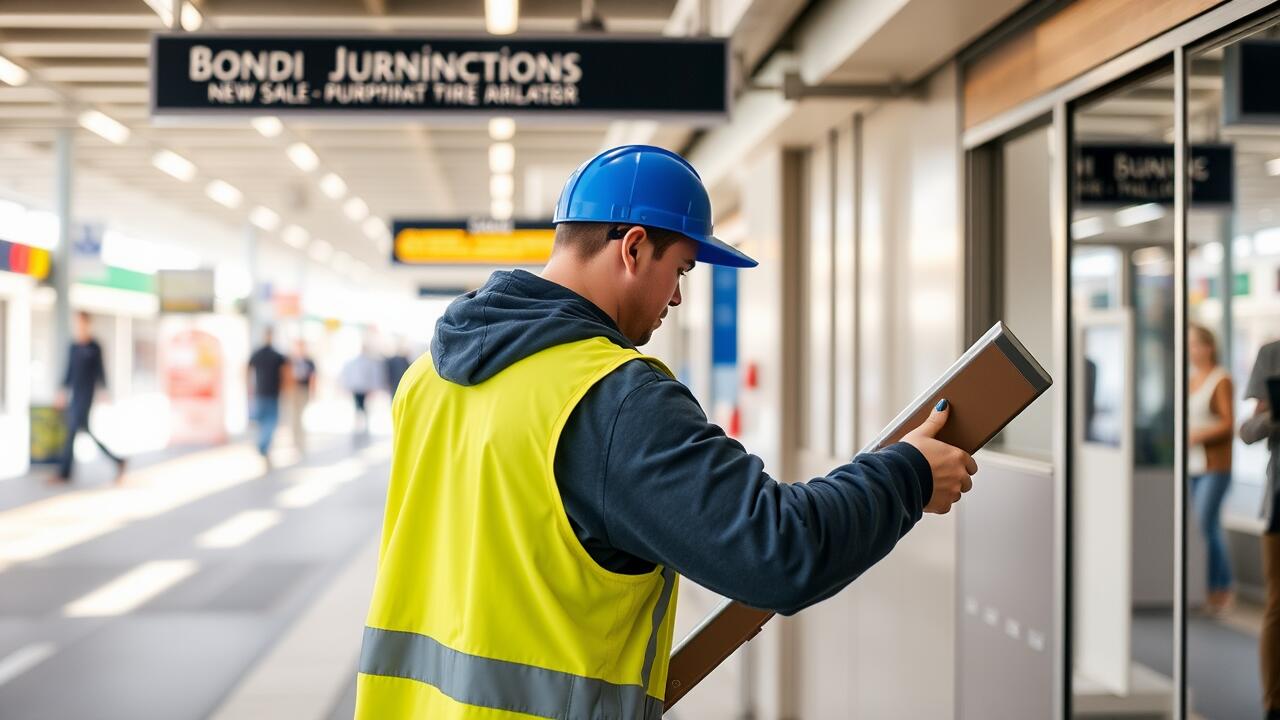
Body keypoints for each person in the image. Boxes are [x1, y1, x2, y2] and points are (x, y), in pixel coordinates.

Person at [355, 146, 977, 719]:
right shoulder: (612, 398)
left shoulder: (429, 375)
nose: (678, 297)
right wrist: (909, 474)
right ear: (631, 248)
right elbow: (781, 550)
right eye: (680, 269)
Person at [1243, 338, 1280, 719]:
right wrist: (1275, 419)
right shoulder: (1272, 354)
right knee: (1277, 603)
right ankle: (1273, 703)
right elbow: (1247, 431)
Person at [1187, 324, 1234, 614]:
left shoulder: (1221, 380)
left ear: (1209, 347)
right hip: (1192, 464)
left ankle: (1222, 589)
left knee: (1206, 524)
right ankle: (1209, 589)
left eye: (1194, 344)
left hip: (1215, 466)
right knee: (1206, 526)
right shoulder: (1192, 380)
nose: (1190, 350)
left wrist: (1197, 435)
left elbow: (1229, 424)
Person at [54, 311, 126, 484]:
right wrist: (62, 391)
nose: (79, 326)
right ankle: (118, 460)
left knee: (73, 429)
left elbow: (100, 370)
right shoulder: (73, 346)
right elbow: (68, 371)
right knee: (82, 430)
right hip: (75, 393)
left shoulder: (94, 346)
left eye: (81, 323)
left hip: (87, 394)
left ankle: (65, 473)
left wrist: (104, 390)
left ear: (88, 324)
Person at [247, 327, 289, 466]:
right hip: (271, 394)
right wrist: (284, 390)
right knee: (270, 422)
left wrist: (248, 388)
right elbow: (285, 374)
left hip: (260, 393)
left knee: (262, 422)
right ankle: (263, 445)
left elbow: (247, 370)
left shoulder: (258, 353)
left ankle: (262, 444)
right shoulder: (277, 355)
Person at [341, 343, 385, 438]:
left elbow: (374, 376)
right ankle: (359, 424)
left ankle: (364, 424)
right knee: (357, 406)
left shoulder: (369, 362)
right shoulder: (354, 362)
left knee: (364, 407)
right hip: (357, 388)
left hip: (365, 388)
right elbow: (349, 375)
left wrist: (373, 388)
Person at [288, 340, 317, 453]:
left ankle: (300, 440)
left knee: (300, 416)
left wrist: (313, 392)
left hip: (303, 390)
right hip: (293, 391)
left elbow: (313, 378)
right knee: (294, 416)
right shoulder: (291, 360)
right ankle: (295, 440)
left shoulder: (309, 361)